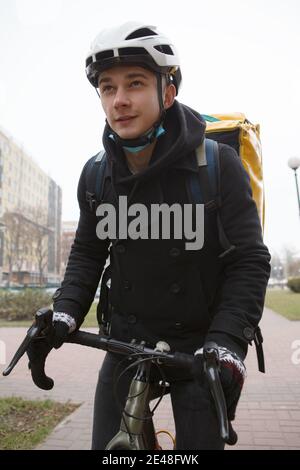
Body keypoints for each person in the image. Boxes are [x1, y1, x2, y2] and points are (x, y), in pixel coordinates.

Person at [30, 22, 271, 450]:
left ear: (168, 92)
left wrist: (228, 342)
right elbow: (88, 252)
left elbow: (248, 261)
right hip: (125, 341)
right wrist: (65, 312)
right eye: (107, 88)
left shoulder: (218, 165)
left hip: (198, 348)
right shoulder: (96, 174)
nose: (119, 100)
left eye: (135, 83)